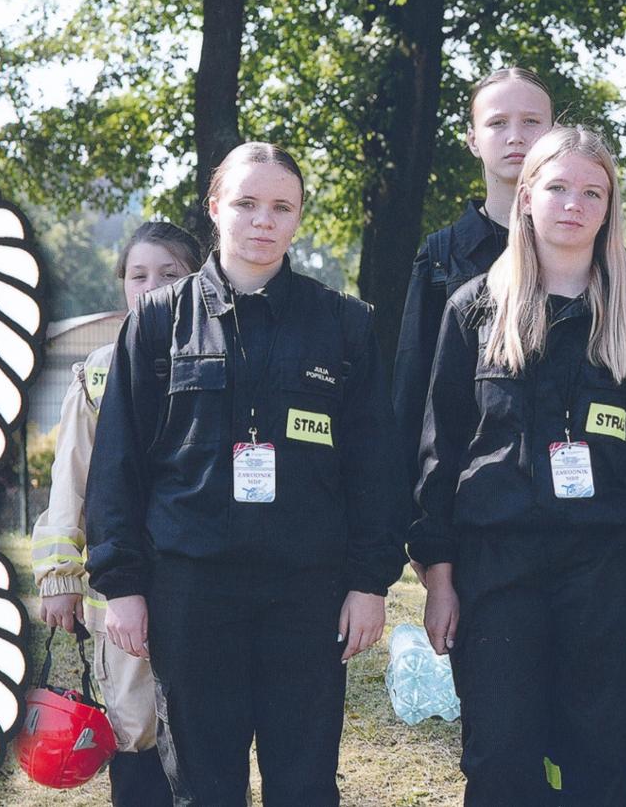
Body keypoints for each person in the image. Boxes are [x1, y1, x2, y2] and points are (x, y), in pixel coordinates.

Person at [85, 142, 405, 806]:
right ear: (215, 208)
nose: (264, 220)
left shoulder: (344, 324)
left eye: (282, 207)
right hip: (191, 592)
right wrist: (122, 585)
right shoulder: (156, 322)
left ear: (299, 216)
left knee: (304, 784)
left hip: (307, 594)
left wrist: (369, 582)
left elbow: (376, 468)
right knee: (204, 785)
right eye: (246, 203)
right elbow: (118, 464)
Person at [410, 126, 626, 806]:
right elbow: (440, 454)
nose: (574, 204)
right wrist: (439, 579)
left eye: (592, 192)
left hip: (607, 570)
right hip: (496, 567)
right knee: (500, 760)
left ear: (609, 206)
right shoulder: (474, 309)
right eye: (558, 187)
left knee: (598, 760)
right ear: (527, 196)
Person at [31, 221, 200, 806]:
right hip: (121, 591)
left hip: (201, 584)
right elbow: (70, 481)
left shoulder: (220, 360)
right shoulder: (97, 372)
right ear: (122, 284)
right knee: (136, 726)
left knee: (202, 729)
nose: (152, 288)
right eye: (138, 275)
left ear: (197, 280)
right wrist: (59, 579)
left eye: (169, 275)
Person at [393, 66, 557, 540]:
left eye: (531, 121)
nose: (516, 136)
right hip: (473, 513)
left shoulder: (596, 254)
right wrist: (419, 527)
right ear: (471, 139)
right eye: (497, 122)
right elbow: (413, 396)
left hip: (585, 523)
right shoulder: (441, 257)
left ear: (554, 132)